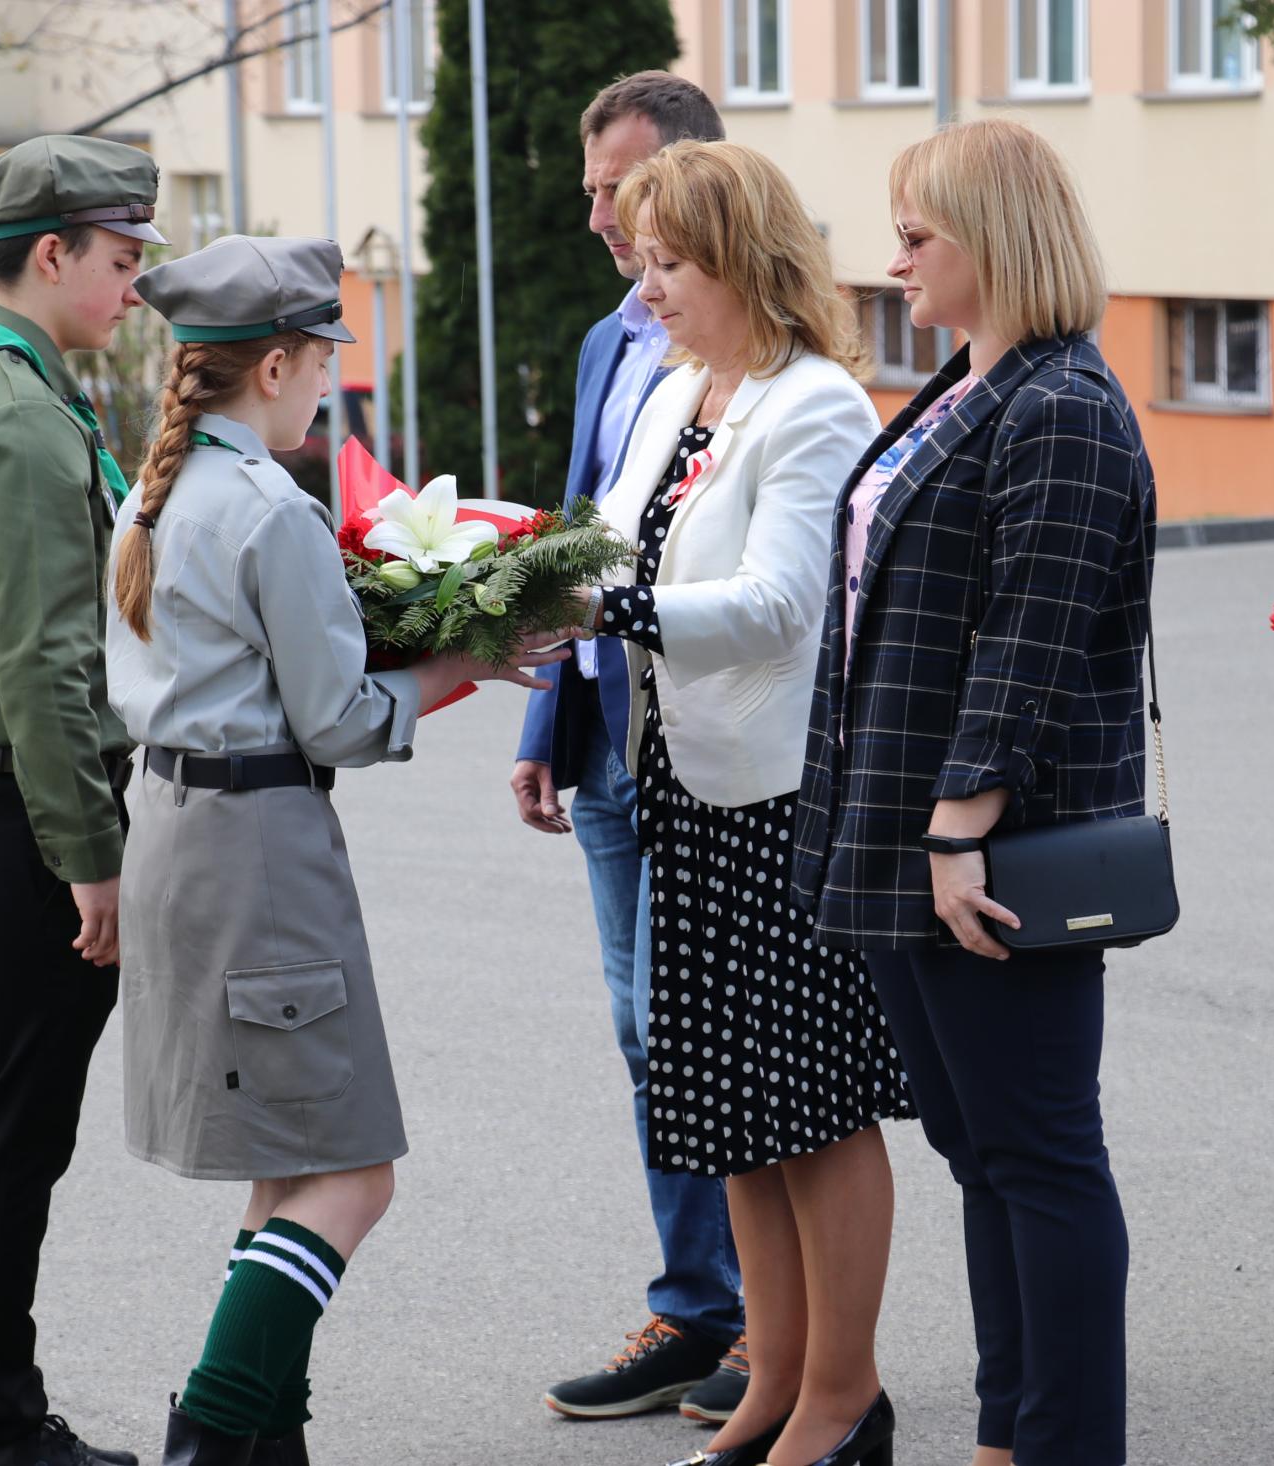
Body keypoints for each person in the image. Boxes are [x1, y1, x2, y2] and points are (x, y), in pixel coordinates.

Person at [105, 234, 566, 1466]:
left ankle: (267, 1440)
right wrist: (463, 661)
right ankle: (212, 1433)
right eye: (322, 361)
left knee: (287, 1167)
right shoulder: (269, 508)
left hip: (177, 830)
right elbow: (341, 719)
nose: (329, 384)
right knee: (354, 1175)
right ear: (274, 366)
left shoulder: (154, 491)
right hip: (257, 848)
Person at [790, 119, 1148, 1466]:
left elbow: (1028, 637)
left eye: (915, 236)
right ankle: (1010, 1434)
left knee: (1040, 1156)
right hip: (905, 825)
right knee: (983, 1151)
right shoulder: (970, 384)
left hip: (991, 846)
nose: (893, 264)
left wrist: (960, 826)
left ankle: (1065, 1444)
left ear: (992, 241)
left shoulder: (1063, 405)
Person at [571, 139, 910, 1466]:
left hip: (783, 797)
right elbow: (605, 541)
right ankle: (770, 1382)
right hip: (685, 785)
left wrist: (610, 607)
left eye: (670, 262)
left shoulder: (813, 401)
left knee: (813, 1102)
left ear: (743, 264)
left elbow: (779, 604)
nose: (646, 286)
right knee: (731, 1109)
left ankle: (843, 1394)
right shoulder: (681, 388)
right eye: (645, 260)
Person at [0, 135, 167, 1466]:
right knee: (4, 1136)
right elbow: (45, 662)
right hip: (17, 817)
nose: (133, 287)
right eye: (119, 259)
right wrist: (91, 854)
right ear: (52, 254)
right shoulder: (12, 415)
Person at [517, 70, 753, 1428]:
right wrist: (546, 718)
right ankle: (698, 1302)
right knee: (640, 1025)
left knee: (704, 1020)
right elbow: (582, 532)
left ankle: (757, 1320)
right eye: (592, 189)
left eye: (622, 189)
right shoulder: (612, 341)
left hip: (706, 739)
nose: (600, 215)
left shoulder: (746, 350)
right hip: (605, 732)